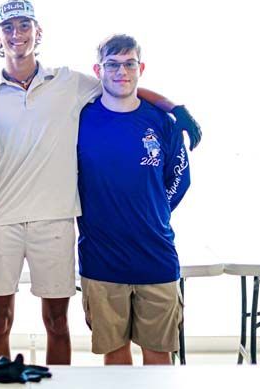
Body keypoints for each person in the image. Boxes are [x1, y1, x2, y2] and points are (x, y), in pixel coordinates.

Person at [0, 0, 201, 365]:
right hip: (4, 218)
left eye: (25, 25)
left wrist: (175, 109)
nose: (17, 34)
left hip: (58, 219)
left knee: (57, 322)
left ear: (38, 32)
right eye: (9, 27)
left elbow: (123, 86)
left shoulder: (70, 83)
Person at [77, 34, 190, 365]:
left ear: (140, 68)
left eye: (128, 64)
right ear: (99, 70)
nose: (120, 72)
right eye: (112, 64)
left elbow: (180, 178)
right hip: (101, 261)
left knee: (158, 358)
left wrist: (152, 212)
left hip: (155, 257)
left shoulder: (161, 123)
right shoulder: (81, 120)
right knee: (116, 361)